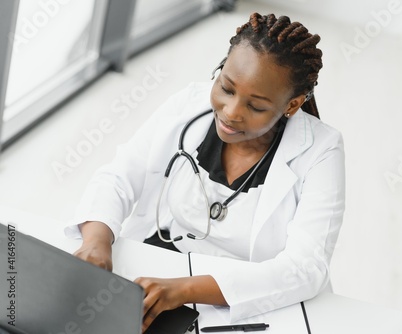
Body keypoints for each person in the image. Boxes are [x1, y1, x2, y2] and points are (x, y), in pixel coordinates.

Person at [65, 12, 345, 332]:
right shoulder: (189, 103)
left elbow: (305, 268)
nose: (231, 112)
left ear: (292, 105)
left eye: (255, 106)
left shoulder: (322, 149)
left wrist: (182, 290)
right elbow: (120, 176)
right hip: (163, 264)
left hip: (248, 297)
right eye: (226, 88)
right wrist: (96, 240)